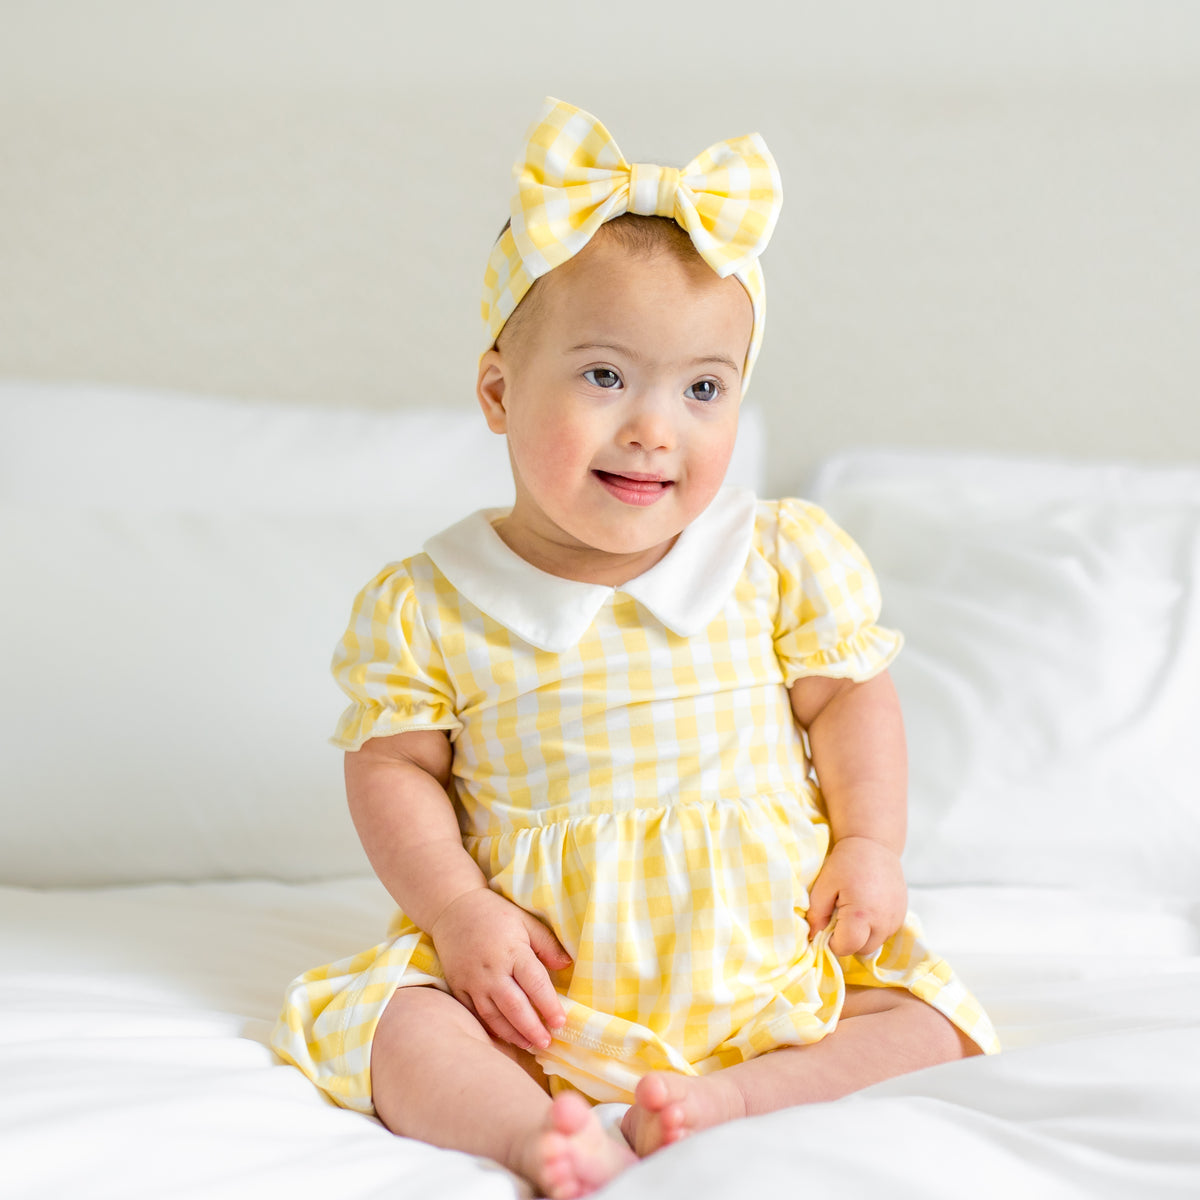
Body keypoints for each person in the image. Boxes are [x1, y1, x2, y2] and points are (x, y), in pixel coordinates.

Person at [271, 97, 999, 1199]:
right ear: (499, 392)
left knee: (925, 1022)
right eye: (606, 375)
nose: (656, 427)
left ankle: (731, 1101)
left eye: (703, 388)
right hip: (539, 990)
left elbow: (850, 700)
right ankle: (534, 1134)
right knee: (398, 1029)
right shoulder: (433, 602)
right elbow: (393, 767)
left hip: (769, 962)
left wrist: (873, 848)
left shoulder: (774, 560)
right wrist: (462, 912)